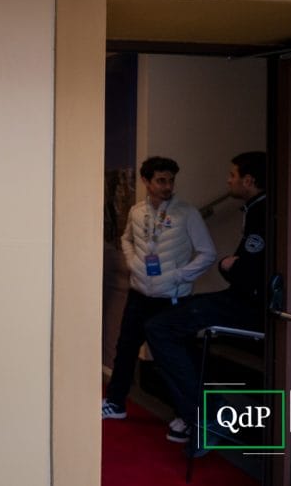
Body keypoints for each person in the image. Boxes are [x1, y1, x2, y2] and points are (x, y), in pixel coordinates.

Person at [144, 151, 267, 444]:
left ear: (248, 180)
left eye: (232, 175)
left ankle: (205, 414)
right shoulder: (255, 209)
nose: (228, 180)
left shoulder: (263, 212)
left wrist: (226, 265)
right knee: (170, 324)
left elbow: (243, 272)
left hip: (248, 304)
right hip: (238, 297)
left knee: (159, 328)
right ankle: (200, 409)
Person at [102, 156, 216, 422]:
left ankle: (184, 416)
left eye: (171, 181)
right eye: (161, 180)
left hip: (172, 299)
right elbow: (126, 239)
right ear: (146, 181)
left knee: (176, 359)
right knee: (126, 349)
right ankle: (116, 402)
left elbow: (208, 253)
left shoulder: (187, 213)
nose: (167, 186)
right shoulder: (136, 211)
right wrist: (132, 262)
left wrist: (178, 275)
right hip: (139, 294)